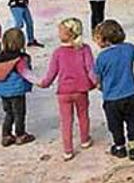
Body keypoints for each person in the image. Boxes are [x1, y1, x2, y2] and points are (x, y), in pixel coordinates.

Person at [93, 19, 134, 160]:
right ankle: (133, 146)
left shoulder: (101, 57)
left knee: (115, 124)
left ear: (105, 40)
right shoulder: (129, 48)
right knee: (133, 120)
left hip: (111, 98)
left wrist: (99, 86)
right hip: (131, 93)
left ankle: (119, 147)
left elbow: (97, 78)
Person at [38, 17, 97, 160]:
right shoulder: (85, 49)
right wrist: (96, 83)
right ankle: (84, 140)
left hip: (64, 91)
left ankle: (68, 149)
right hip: (81, 89)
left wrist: (44, 83)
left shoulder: (58, 52)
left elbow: (51, 73)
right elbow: (91, 69)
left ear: (69, 34)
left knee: (66, 120)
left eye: (60, 31)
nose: (58, 33)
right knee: (83, 115)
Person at [0, 28, 36, 146]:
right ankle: (20, 134)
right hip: (17, 91)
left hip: (2, 91)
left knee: (9, 113)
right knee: (19, 113)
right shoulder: (20, 59)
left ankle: (6, 135)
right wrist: (41, 82)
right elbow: (27, 74)